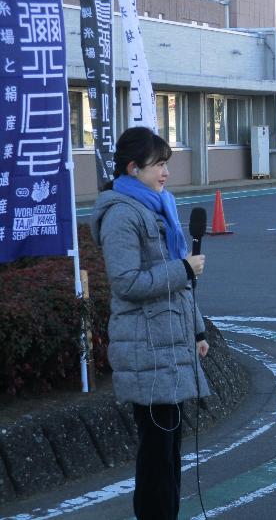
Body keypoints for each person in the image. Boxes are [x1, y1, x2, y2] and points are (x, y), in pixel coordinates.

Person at [90, 127, 210, 519]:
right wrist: (182, 269)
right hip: (147, 348)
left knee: (169, 451)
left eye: (165, 165)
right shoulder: (122, 214)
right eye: (158, 165)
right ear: (132, 168)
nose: (165, 173)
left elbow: (178, 284)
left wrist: (197, 330)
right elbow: (126, 283)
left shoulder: (159, 206)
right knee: (157, 454)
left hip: (169, 341)